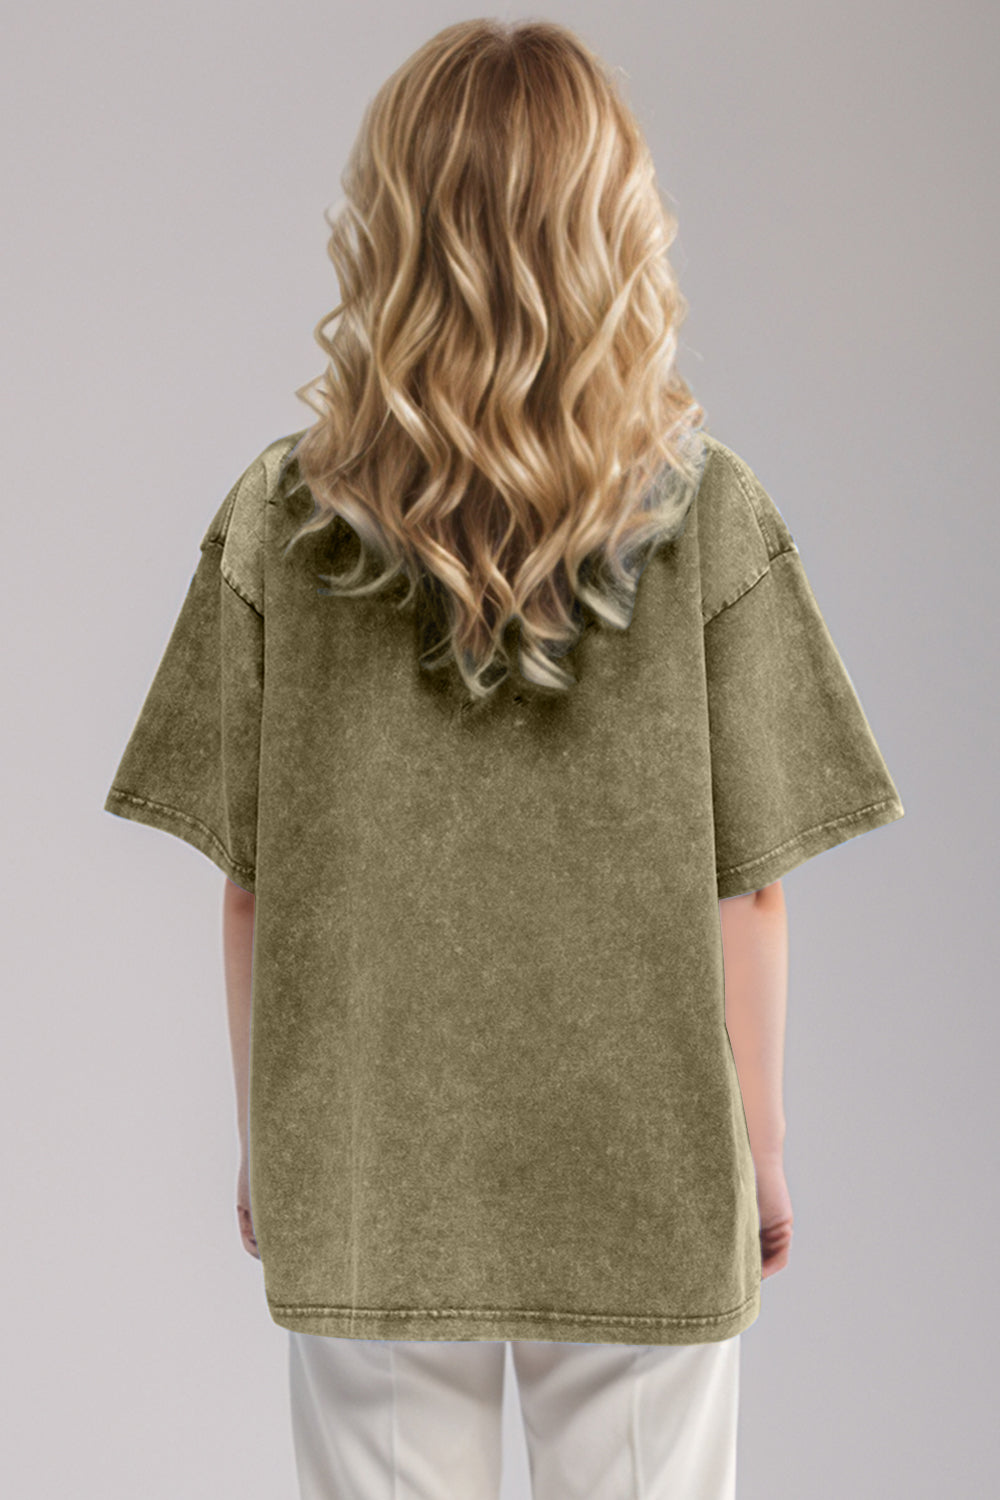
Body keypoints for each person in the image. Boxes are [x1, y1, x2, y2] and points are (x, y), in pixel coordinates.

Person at [102, 19, 905, 1499]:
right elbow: (748, 890)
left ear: (390, 231)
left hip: (372, 1179)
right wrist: (763, 1147)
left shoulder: (282, 521)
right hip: (646, 1174)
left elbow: (250, 885)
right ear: (615, 229)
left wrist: (274, 1143)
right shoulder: (710, 512)